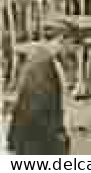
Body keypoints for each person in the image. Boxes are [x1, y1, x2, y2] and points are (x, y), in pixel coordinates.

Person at [6, 16, 71, 154]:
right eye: (69, 44)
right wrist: (58, 135)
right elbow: (40, 109)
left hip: (28, 135)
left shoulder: (40, 57)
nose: (68, 49)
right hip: (35, 139)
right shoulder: (42, 65)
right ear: (61, 40)